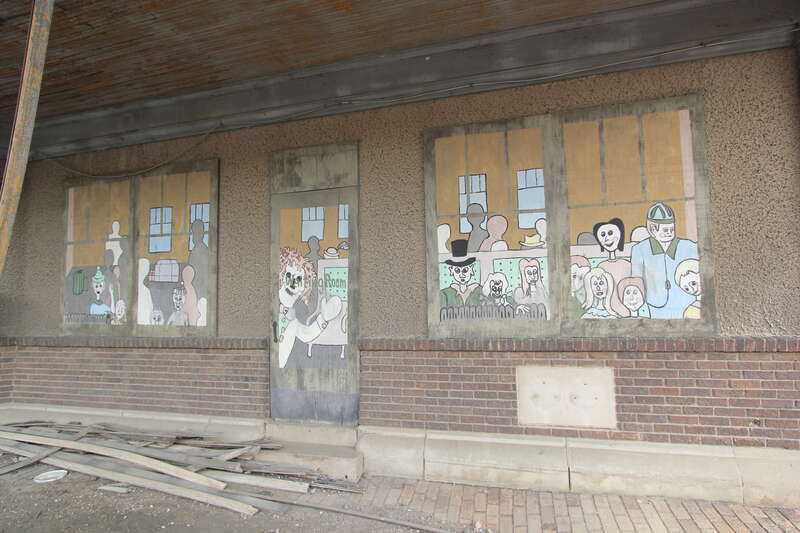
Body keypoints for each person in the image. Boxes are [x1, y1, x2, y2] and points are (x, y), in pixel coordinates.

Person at [630, 202, 698, 319]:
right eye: (666, 230)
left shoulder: (689, 246)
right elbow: (637, 280)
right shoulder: (639, 249)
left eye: (672, 229)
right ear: (652, 229)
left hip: (687, 303)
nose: (670, 233)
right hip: (655, 305)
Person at [593, 218, 631, 317]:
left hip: (625, 309)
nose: (606, 238)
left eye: (610, 233)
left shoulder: (627, 265)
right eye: (602, 235)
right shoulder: (600, 266)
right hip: (605, 311)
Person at [440, 239, 481, 307]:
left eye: (465, 270)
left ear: (471, 269)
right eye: (457, 271)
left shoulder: (479, 290)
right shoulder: (445, 293)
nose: (462, 275)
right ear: (451, 271)